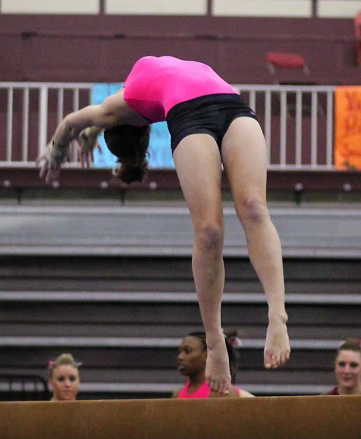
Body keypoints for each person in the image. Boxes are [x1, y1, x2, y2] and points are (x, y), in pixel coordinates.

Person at [36, 55, 292, 394]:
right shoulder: (117, 106)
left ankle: (278, 316)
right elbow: (90, 119)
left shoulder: (118, 106)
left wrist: (56, 151)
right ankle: (215, 342)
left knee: (254, 208)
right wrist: (75, 139)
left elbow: (71, 122)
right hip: (191, 115)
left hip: (234, 109)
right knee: (210, 230)